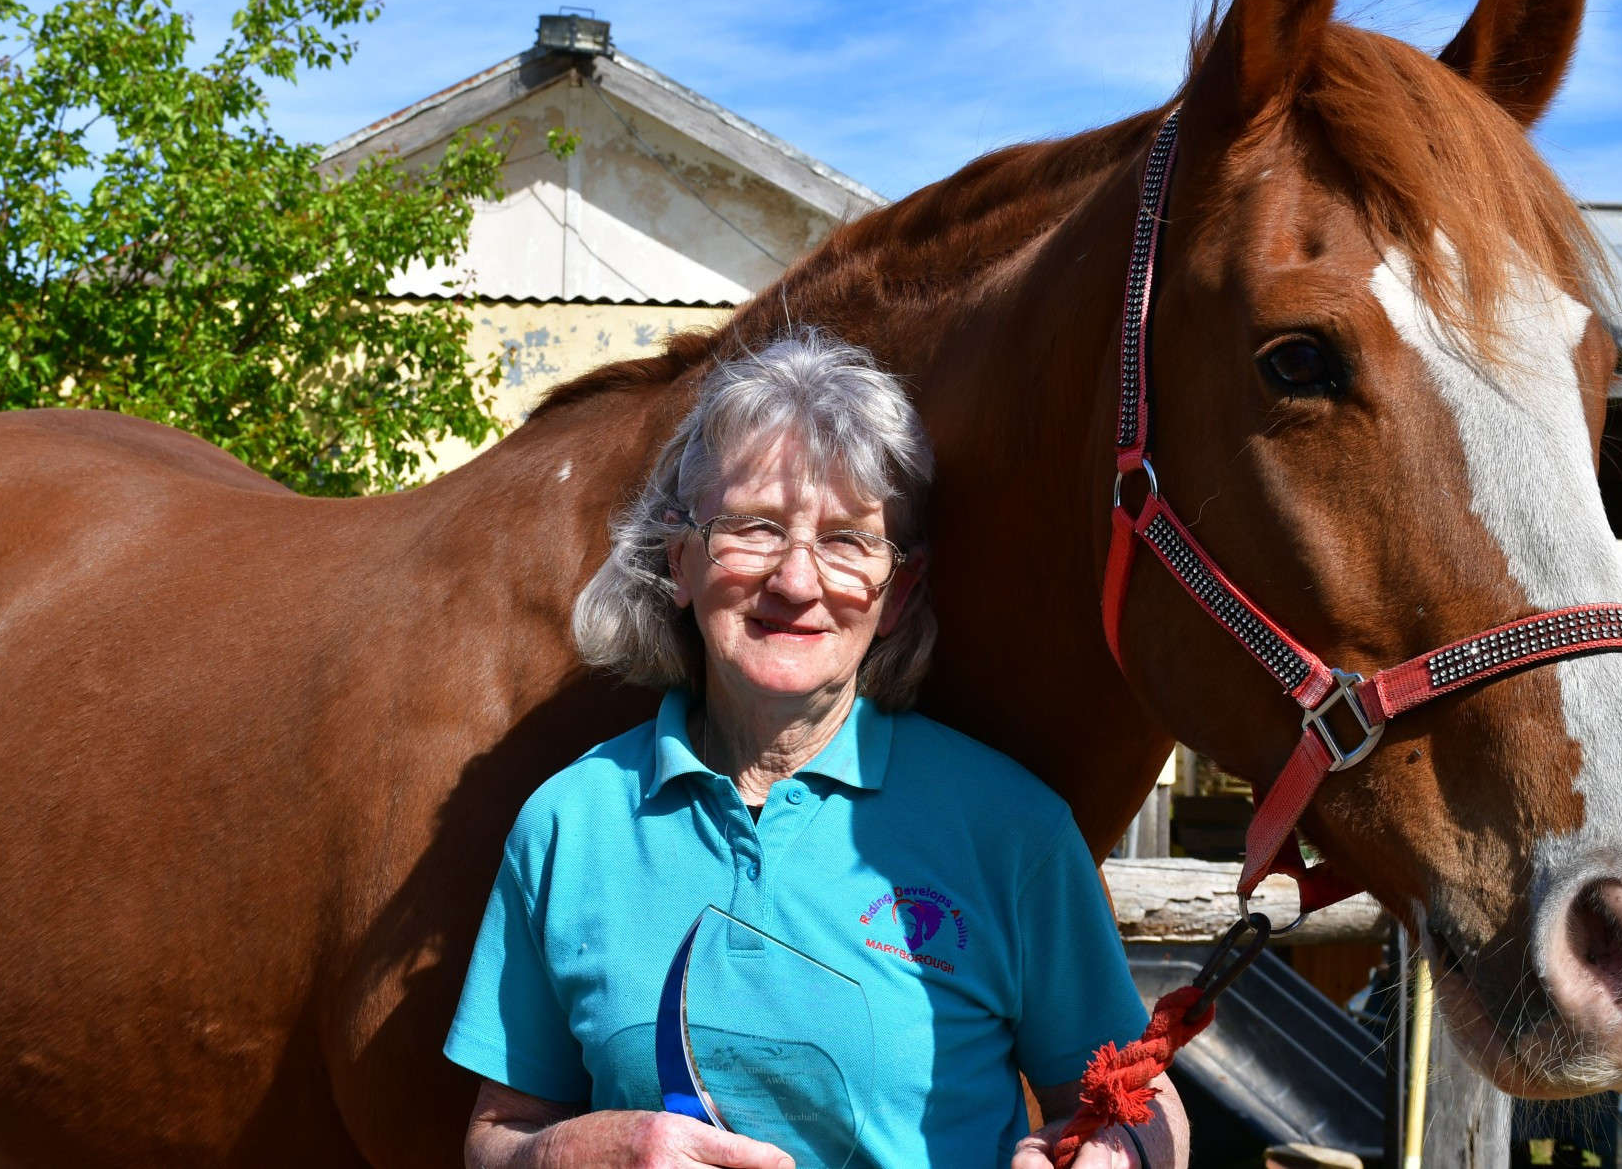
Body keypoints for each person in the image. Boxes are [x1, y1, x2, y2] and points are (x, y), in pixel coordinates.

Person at [446, 330, 1186, 1169]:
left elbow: (1139, 1099)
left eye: (846, 540)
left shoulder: (1011, 830)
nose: (796, 581)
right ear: (679, 557)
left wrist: (1123, 1154)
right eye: (753, 527)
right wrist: (572, 1154)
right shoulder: (569, 824)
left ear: (898, 592)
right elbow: (493, 1137)